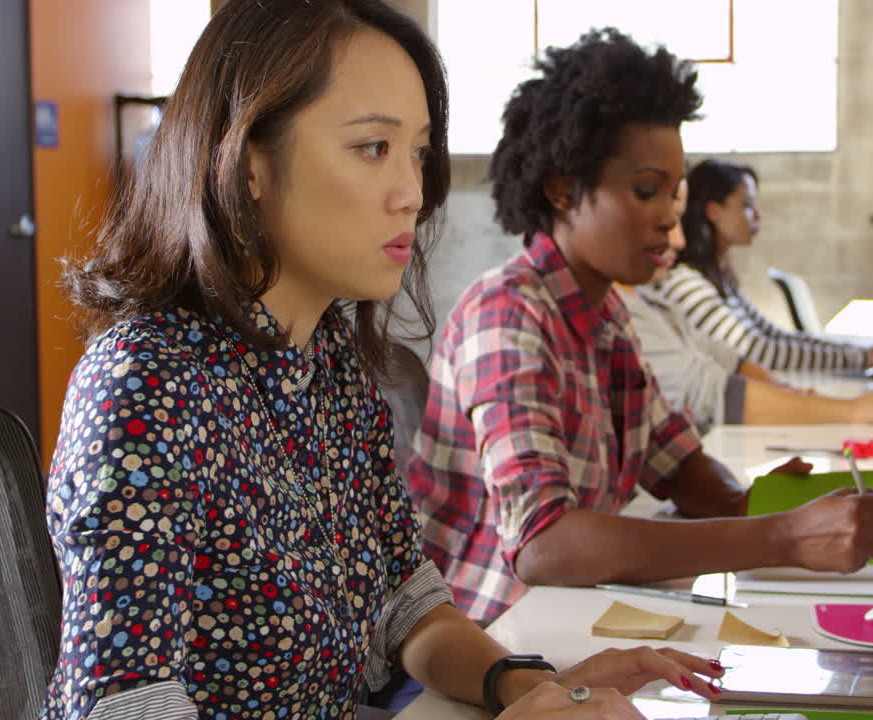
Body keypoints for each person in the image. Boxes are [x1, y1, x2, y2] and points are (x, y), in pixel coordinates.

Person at [40, 3, 723, 719]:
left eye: (419, 154)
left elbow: (404, 598)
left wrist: (526, 683)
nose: (415, 194)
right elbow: (126, 705)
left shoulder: (326, 358)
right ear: (249, 165)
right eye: (373, 148)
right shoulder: (146, 383)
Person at [407, 28, 873, 628]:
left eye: (675, 192)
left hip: (569, 623)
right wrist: (778, 536)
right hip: (492, 641)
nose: (671, 215)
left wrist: (742, 502)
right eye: (646, 190)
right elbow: (544, 545)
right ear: (563, 189)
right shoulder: (508, 317)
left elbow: (675, 459)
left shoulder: (607, 314)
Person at [619, 182, 873, 434]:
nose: (678, 240)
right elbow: (749, 358)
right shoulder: (683, 285)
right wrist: (854, 400)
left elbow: (730, 354)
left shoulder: (681, 290)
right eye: (747, 206)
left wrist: (798, 394)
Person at [659, 158, 873, 371]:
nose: (757, 216)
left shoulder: (718, 278)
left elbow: (773, 336)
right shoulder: (687, 283)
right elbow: (758, 353)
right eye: (747, 205)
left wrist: (862, 351)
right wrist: (862, 357)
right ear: (714, 211)